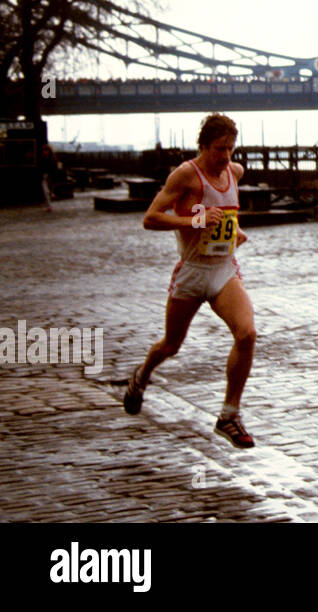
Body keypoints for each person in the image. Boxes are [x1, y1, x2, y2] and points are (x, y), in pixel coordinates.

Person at [124, 113, 257, 448]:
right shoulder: (186, 174)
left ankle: (229, 414)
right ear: (202, 146)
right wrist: (195, 219)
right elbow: (150, 218)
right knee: (171, 345)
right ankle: (141, 377)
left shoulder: (235, 172)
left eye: (230, 148)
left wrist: (235, 230)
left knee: (247, 333)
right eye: (218, 149)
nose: (225, 156)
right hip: (192, 271)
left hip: (224, 269)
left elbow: (227, 216)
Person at [38, 144, 60, 211]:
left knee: (49, 191)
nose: (45, 152)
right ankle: (49, 205)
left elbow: (54, 169)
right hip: (44, 177)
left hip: (50, 177)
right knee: (46, 191)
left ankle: (49, 203)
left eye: (46, 150)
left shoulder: (52, 159)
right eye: (44, 151)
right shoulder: (42, 159)